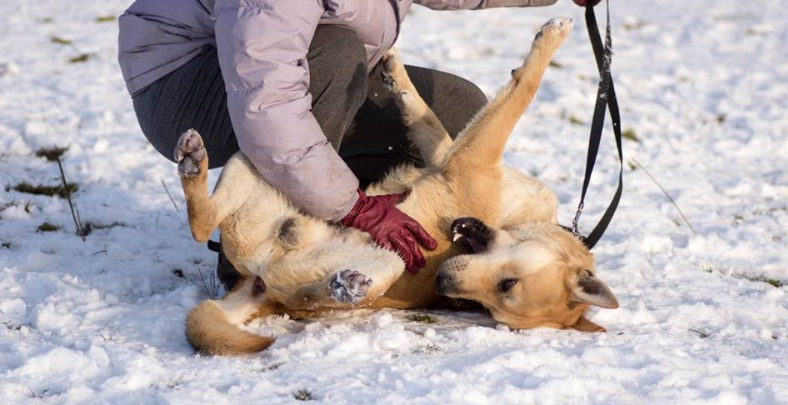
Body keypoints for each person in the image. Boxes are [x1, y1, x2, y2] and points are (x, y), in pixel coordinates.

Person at [118, 0, 597, 288]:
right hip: (182, 83)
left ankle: (339, 228)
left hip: (300, 73)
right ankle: (250, 257)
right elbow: (269, 105)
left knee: (455, 104)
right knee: (335, 53)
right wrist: (352, 206)